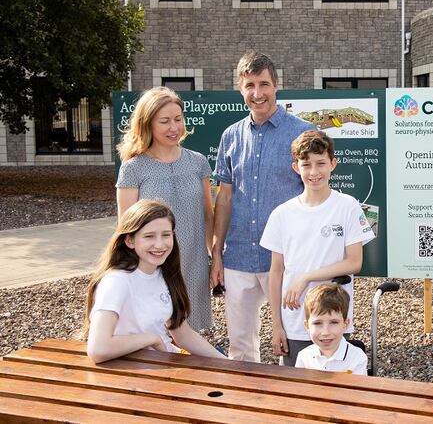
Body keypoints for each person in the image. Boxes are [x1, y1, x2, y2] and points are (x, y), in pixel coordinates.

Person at [212, 52, 314, 362]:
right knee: (241, 347)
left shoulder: (303, 133)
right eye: (250, 86)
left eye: (264, 84)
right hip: (239, 255)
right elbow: (225, 197)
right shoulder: (230, 136)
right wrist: (216, 253)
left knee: (295, 341)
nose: (258, 94)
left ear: (277, 85)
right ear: (240, 89)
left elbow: (315, 194)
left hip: (288, 257)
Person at [260, 130, 375, 368]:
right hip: (296, 322)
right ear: (296, 167)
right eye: (306, 165)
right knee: (296, 392)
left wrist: (306, 277)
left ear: (333, 164)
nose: (314, 172)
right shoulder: (282, 214)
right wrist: (276, 325)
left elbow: (354, 262)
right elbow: (276, 272)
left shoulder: (348, 206)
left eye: (321, 163)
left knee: (338, 388)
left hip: (333, 318)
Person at [116, 86, 214, 331]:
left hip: (194, 261)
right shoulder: (133, 168)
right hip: (152, 265)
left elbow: (207, 215)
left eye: (178, 119)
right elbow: (125, 227)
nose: (174, 128)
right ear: (147, 124)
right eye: (165, 121)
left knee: (191, 334)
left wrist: (214, 257)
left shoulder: (198, 162)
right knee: (156, 333)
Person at [84, 199, 225, 363]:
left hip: (163, 360)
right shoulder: (117, 281)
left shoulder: (163, 272)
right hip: (137, 371)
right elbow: (98, 349)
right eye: (149, 236)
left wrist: (228, 364)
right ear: (129, 240)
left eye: (166, 235)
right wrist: (151, 339)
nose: (160, 244)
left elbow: (183, 335)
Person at [295, 283, 368, 375]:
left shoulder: (357, 357)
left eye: (333, 322)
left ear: (345, 324)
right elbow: (300, 387)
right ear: (307, 326)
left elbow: (358, 389)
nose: (325, 332)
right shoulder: (304, 357)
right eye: (318, 323)